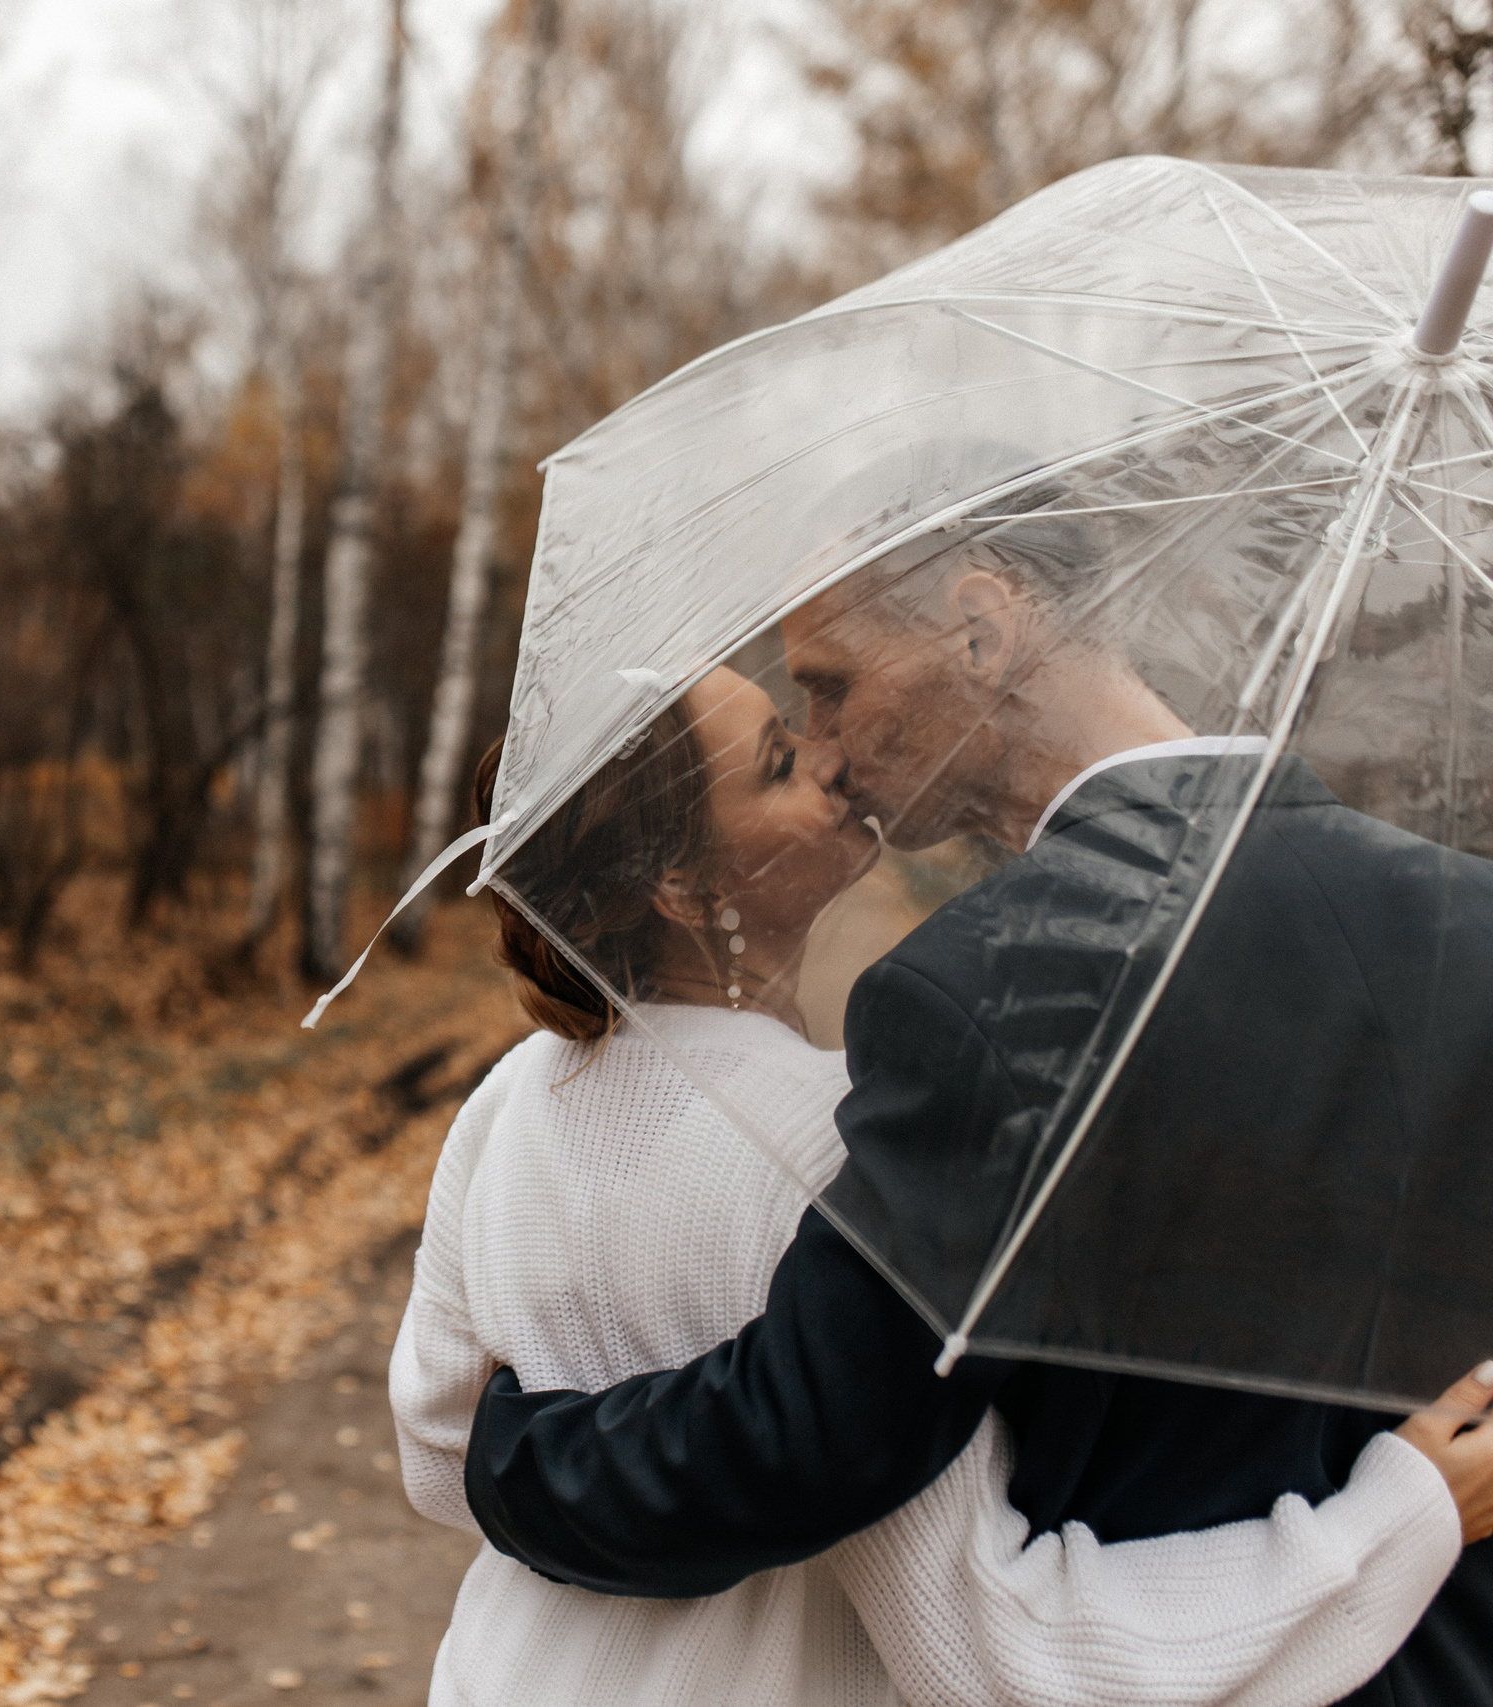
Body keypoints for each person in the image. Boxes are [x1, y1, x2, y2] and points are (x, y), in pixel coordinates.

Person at [460, 492, 1493, 1702]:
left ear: (979, 629)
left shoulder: (990, 984)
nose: (827, 746)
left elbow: (813, 1437)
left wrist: (514, 1462)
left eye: (831, 686)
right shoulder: (1468, 919)